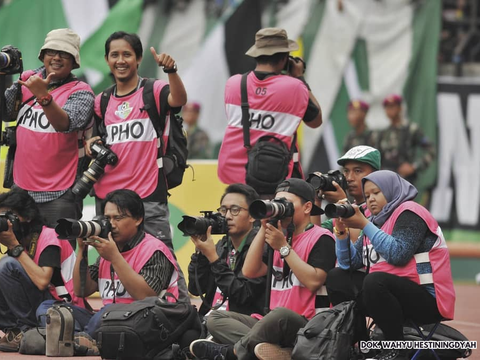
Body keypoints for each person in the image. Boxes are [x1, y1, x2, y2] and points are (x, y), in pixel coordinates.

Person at [85, 31, 188, 298]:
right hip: (108, 198)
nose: (121, 60)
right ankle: (122, 319)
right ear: (107, 60)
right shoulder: (101, 101)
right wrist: (89, 143)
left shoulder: (153, 90)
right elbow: (92, 139)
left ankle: (183, 314)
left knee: (163, 257)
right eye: (114, 55)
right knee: (111, 261)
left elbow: (178, 100)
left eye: (127, 54)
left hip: (147, 195)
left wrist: (172, 71)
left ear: (139, 58)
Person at [189, 179, 336, 360]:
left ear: (307, 207)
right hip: (269, 324)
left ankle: (233, 352)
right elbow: (250, 271)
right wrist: (264, 226)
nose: (280, 208)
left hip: (306, 324)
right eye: (277, 202)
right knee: (215, 318)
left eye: (286, 204)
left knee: (279, 314)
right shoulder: (278, 237)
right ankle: (274, 351)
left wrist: (283, 248)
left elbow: (314, 281)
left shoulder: (321, 237)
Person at [327, 170, 455, 360]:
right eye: (367, 195)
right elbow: (349, 264)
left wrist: (364, 224)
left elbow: (398, 254)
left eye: (376, 193)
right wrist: (341, 232)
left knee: (374, 281)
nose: (370, 199)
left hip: (428, 300)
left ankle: (396, 348)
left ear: (391, 190)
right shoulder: (374, 221)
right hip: (387, 297)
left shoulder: (411, 212)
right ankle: (362, 344)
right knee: (337, 278)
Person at [38, 189, 180, 338]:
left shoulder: (154, 250)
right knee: (49, 308)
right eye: (107, 218)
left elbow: (145, 296)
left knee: (106, 313)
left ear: (138, 219)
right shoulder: (109, 249)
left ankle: (77, 339)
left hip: (146, 321)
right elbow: (81, 290)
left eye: (118, 218)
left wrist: (115, 257)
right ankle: (80, 340)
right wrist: (82, 249)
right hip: (109, 320)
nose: (111, 224)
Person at [2, 28, 95, 228]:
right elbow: (5, 113)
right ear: (43, 55)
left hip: (60, 193)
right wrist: (2, 74)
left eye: (64, 53)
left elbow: (65, 124)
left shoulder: (81, 91)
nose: (57, 58)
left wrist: (42, 96)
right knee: (19, 252)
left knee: (59, 254)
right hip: (21, 189)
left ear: (74, 61)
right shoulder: (28, 78)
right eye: (52, 52)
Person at [217, 27, 323, 195]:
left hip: (235, 176)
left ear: (257, 55)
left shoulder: (234, 83)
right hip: (273, 177)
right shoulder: (294, 87)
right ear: (284, 59)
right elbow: (316, 120)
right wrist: (300, 77)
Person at [0, 188, 86, 352]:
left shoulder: (49, 236)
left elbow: (42, 281)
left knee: (6, 266)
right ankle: (14, 331)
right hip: (43, 305)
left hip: (63, 306)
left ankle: (25, 329)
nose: (7, 223)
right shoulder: (22, 243)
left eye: (9, 216)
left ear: (28, 217)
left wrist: (13, 246)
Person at [188, 183, 265, 324]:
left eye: (235, 210)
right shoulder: (222, 246)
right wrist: (201, 254)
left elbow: (243, 296)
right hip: (209, 318)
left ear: (252, 216)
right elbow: (195, 288)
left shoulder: (261, 248)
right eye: (223, 210)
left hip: (239, 323)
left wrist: (214, 259)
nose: (228, 216)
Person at [319, 145, 381, 238]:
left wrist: (344, 204)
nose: (349, 178)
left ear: (375, 174)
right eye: (346, 171)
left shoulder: (381, 209)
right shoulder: (352, 207)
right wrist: (316, 200)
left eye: (358, 171)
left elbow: (360, 247)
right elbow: (316, 240)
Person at [377, 94, 436, 184]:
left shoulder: (411, 130)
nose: (389, 110)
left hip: (405, 181)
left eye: (392, 106)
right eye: (387, 107)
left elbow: (431, 150)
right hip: (386, 181)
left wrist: (414, 166)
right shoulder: (383, 133)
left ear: (400, 108)